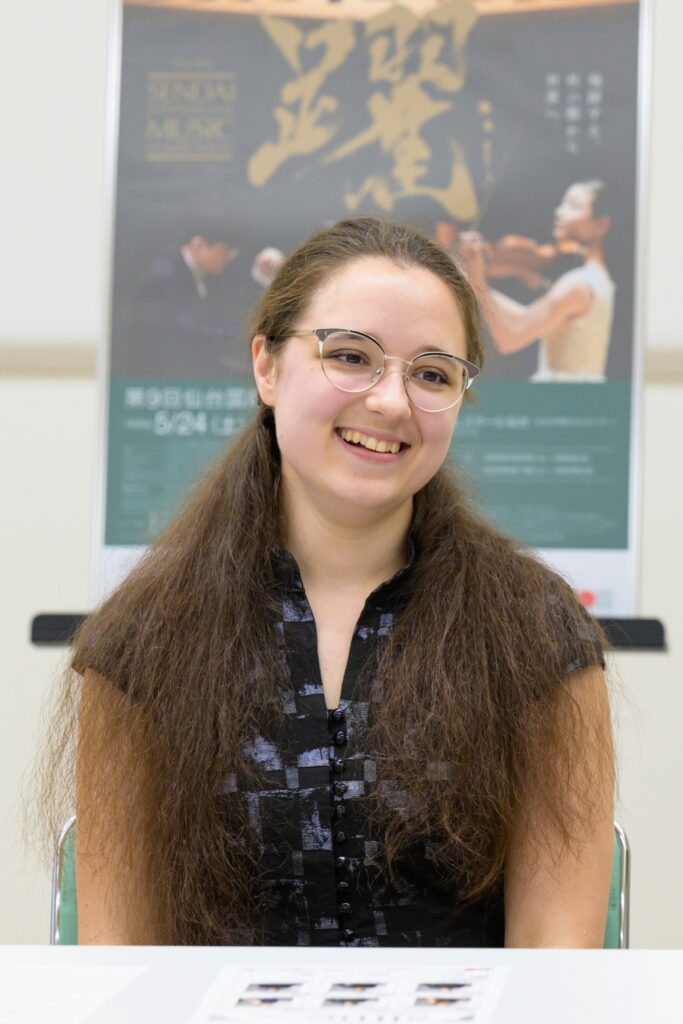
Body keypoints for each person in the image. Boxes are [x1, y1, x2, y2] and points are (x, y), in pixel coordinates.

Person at [46, 217, 614, 946]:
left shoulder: (537, 634)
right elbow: (120, 961)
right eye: (350, 356)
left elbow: (556, 960)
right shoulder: (142, 642)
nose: (391, 401)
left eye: (432, 374)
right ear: (267, 366)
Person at [460, 181, 615, 381]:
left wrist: (477, 280)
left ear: (601, 224)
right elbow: (523, 317)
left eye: (574, 206)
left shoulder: (579, 284)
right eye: (562, 204)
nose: (559, 212)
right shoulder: (595, 279)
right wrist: (475, 282)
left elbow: (510, 336)